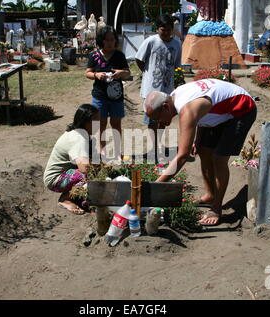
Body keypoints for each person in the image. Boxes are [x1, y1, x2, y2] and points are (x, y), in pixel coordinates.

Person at [143, 79, 257, 226]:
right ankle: (210, 195)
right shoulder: (174, 96)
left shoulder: (187, 109)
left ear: (165, 106)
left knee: (219, 158)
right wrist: (198, 139)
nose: (158, 123)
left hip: (241, 109)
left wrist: (155, 185)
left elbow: (182, 156)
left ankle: (216, 208)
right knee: (203, 150)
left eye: (157, 118)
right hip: (220, 108)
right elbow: (202, 112)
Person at [135, 13, 182, 158]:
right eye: (163, 30)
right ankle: (153, 147)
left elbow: (176, 65)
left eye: (169, 30)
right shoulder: (151, 41)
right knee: (151, 119)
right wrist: (147, 73)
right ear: (157, 29)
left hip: (167, 88)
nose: (166, 33)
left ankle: (159, 144)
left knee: (163, 119)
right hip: (151, 89)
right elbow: (139, 59)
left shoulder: (177, 44)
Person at [43, 104, 100, 214]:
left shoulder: (84, 135)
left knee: (98, 169)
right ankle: (66, 199)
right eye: (96, 121)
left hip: (67, 173)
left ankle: (77, 198)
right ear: (86, 122)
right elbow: (84, 168)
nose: (100, 124)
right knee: (91, 173)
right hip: (55, 179)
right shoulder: (78, 138)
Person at [86, 26, 131, 156]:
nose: (110, 42)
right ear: (101, 40)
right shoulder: (94, 56)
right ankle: (102, 151)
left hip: (116, 97)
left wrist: (121, 73)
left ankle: (117, 151)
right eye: (107, 40)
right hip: (99, 97)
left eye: (112, 40)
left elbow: (128, 73)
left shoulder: (119, 56)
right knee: (101, 124)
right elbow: (87, 73)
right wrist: (96, 75)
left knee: (116, 123)